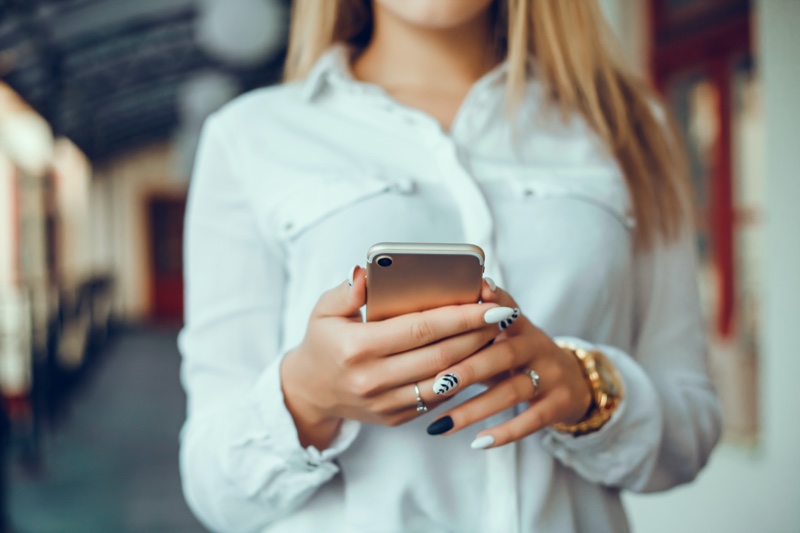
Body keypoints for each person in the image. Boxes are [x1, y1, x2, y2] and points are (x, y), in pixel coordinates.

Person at [178, 0, 722, 531]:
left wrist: (584, 387)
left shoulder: (628, 125)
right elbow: (215, 491)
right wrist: (307, 396)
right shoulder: (250, 135)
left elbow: (690, 433)